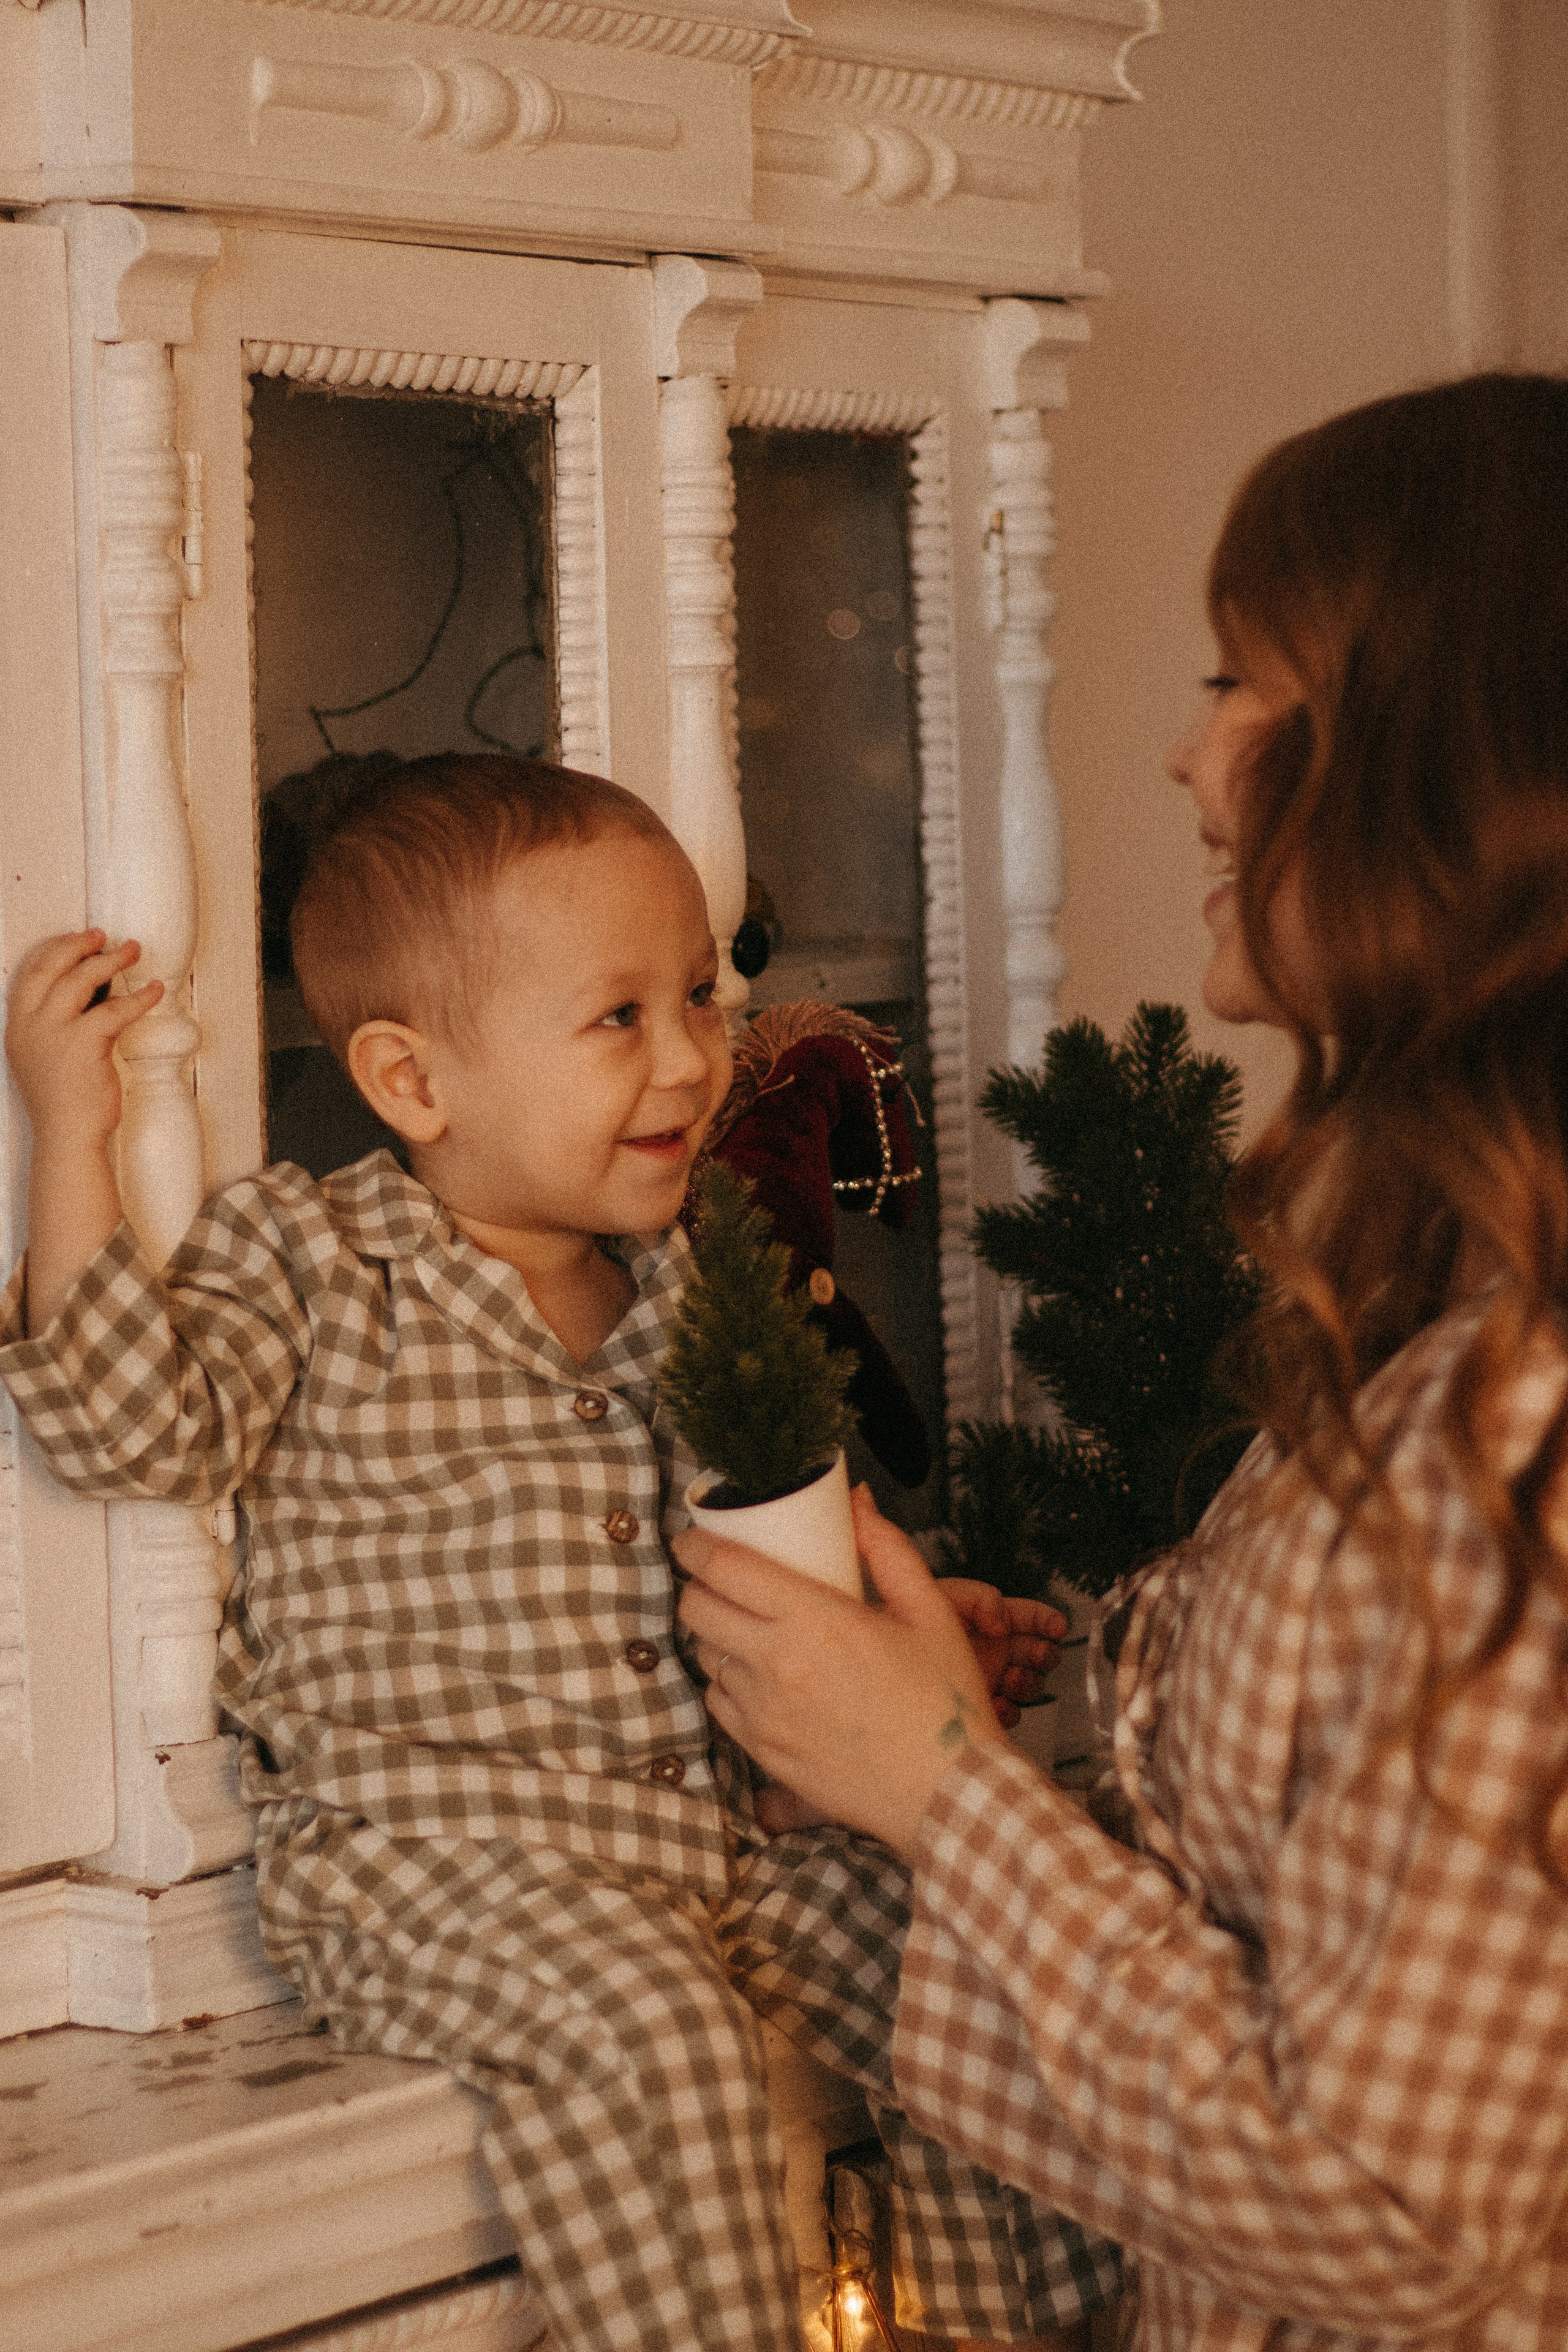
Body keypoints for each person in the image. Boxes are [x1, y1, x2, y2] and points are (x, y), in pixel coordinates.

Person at [0, 751, 1118, 2352]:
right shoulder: (315, 1263)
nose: (690, 1060)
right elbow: (126, 1428)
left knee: (974, 1961)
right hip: (451, 1864)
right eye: (620, 1019)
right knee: (656, 2041)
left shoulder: (683, 1297)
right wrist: (72, 1132)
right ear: (412, 1082)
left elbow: (734, 1585)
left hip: (712, 1846)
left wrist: (896, 1635)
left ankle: (1018, 2331)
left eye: (702, 1001)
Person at [676, 374, 1568, 2349]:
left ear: (1450, 773)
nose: (1182, 755)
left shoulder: (1535, 1420)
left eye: (1244, 683)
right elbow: (1333, 1931)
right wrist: (948, 1739)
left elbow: (1394, 2221)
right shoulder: (1437, 1319)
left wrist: (934, 1792)